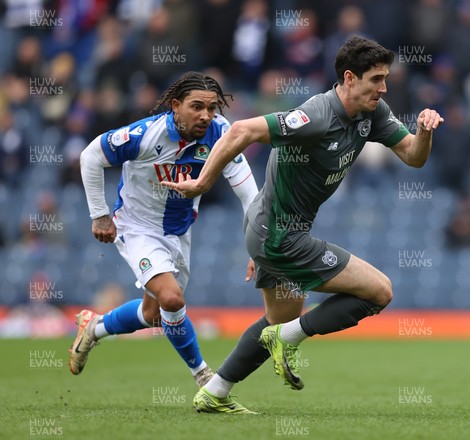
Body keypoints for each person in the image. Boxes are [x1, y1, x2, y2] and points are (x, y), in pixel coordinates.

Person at [163, 36, 443, 413]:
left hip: (270, 234)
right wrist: (202, 183)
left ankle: (214, 392)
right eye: (376, 78)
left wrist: (423, 131)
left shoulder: (372, 112)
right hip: (280, 237)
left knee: (278, 318)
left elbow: (413, 156)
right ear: (349, 77)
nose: (384, 87)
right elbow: (239, 131)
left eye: (385, 78)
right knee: (380, 292)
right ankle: (288, 338)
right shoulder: (317, 115)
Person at [71, 72, 259, 413]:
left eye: (212, 108)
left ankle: (94, 328)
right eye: (196, 107)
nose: (206, 115)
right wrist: (99, 215)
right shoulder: (145, 135)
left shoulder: (221, 134)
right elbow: (90, 157)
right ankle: (206, 380)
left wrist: (256, 246)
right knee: (172, 298)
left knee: (153, 313)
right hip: (137, 227)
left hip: (178, 232)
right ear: (176, 106)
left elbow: (248, 192)